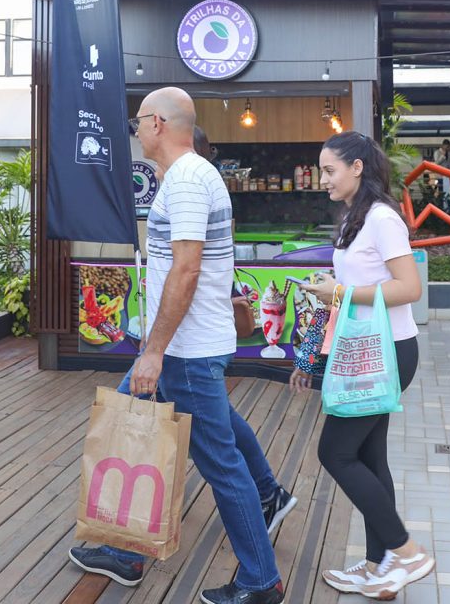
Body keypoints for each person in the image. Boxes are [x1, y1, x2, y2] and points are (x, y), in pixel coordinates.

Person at [70, 88, 290, 604]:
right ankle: (128, 551)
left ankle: (261, 580)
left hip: (184, 353)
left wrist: (153, 351)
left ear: (157, 123)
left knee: (219, 463)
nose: (135, 130)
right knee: (141, 424)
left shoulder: (188, 180)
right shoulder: (190, 177)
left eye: (137, 121)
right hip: (185, 348)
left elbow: (187, 270)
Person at [293, 131, 433, 599]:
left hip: (388, 351)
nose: (323, 179)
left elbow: (409, 288)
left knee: (335, 453)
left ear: (357, 167)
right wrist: (335, 285)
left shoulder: (380, 217)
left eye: (329, 169)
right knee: (371, 458)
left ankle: (405, 552)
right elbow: (366, 280)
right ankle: (380, 569)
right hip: (369, 350)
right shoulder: (358, 216)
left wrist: (341, 292)